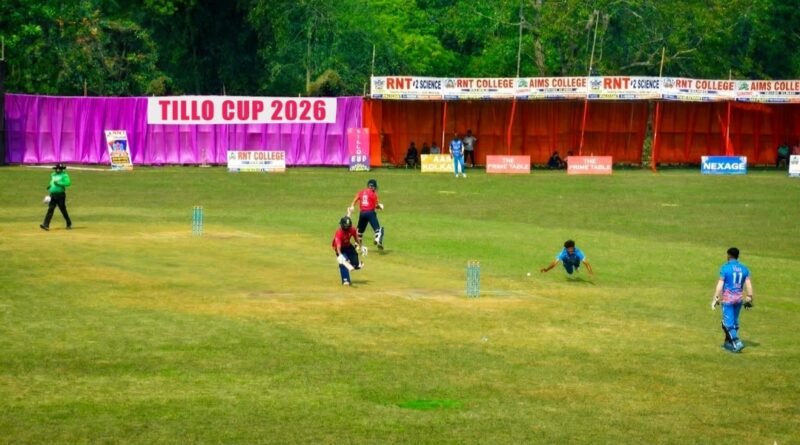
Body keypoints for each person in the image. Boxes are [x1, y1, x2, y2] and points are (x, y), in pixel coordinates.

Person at [711, 247, 754, 353]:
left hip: (728, 300)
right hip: (739, 299)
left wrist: (716, 297)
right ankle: (728, 343)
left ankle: (736, 342)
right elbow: (748, 284)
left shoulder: (725, 268)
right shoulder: (744, 268)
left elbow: (720, 284)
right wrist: (749, 297)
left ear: (729, 255)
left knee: (727, 324)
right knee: (734, 321)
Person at [348, 179, 385, 250]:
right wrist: (380, 206)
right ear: (373, 187)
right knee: (378, 229)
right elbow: (375, 206)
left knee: (359, 231)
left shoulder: (361, 192)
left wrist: (352, 206)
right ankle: (377, 238)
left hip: (362, 214)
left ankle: (357, 245)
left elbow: (355, 199)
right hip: (370, 213)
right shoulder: (373, 194)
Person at [331, 216, 366, 286]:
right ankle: (345, 280)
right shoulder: (339, 233)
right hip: (340, 249)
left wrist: (361, 246)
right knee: (343, 263)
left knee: (355, 257)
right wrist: (340, 256)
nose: (347, 227)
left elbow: (356, 238)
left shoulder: (352, 229)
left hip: (348, 245)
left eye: (348, 226)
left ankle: (355, 265)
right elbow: (338, 247)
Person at [40, 163, 72, 231]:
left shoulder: (64, 175)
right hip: (53, 194)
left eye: (59, 169)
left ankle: (69, 223)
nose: (58, 170)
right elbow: (52, 182)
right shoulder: (53, 175)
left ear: (62, 169)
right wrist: (50, 186)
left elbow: (68, 183)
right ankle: (46, 225)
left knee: (63, 210)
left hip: (60, 195)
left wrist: (59, 184)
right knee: (50, 209)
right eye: (57, 168)